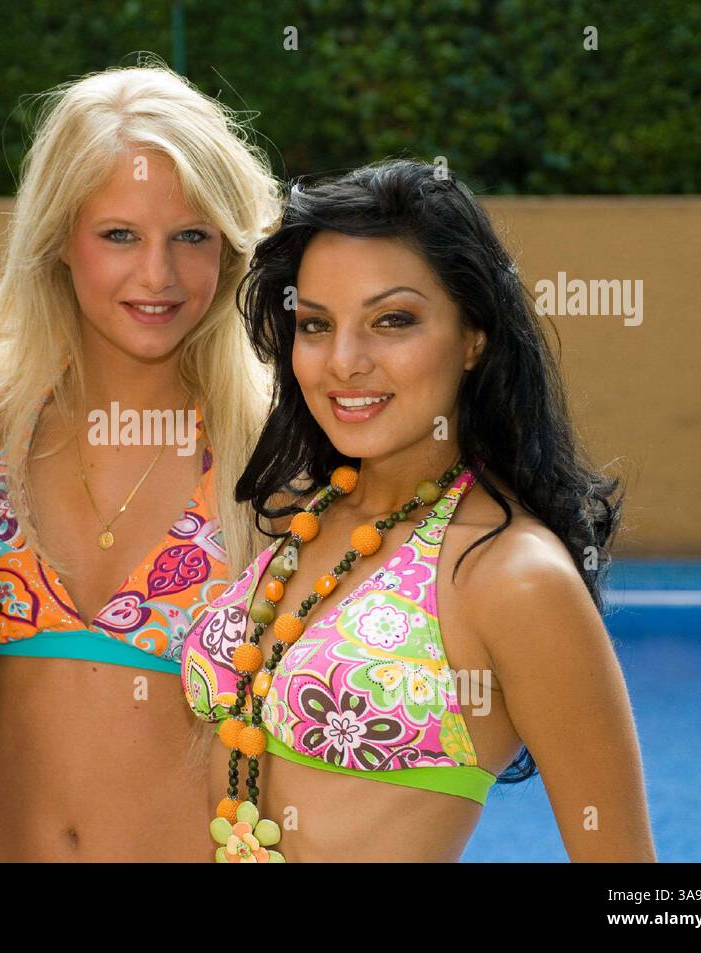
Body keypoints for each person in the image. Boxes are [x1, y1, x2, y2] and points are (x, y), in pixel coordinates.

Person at [183, 160, 656, 862]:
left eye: (392, 320)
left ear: (474, 336)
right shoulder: (305, 511)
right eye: (315, 324)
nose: (344, 360)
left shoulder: (512, 574)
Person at [0, 63, 281, 860]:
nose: (158, 276)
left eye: (191, 237)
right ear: (59, 240)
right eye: (119, 235)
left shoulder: (274, 456)